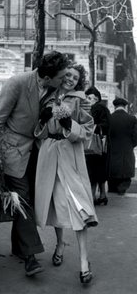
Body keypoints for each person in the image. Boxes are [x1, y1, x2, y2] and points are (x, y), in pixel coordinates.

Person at [0, 51, 71, 277]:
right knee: (22, 199)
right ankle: (31, 257)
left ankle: (18, 248)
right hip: (12, 151)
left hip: (38, 152)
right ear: (47, 77)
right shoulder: (17, 83)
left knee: (30, 199)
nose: (65, 79)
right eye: (61, 76)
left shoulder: (55, 90)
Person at [34, 63, 98, 284]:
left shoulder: (82, 100)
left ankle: (83, 261)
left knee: (79, 208)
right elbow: (40, 134)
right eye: (68, 74)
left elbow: (89, 131)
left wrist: (69, 124)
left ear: (79, 81)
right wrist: (42, 121)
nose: (70, 78)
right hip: (49, 156)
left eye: (75, 77)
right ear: (61, 77)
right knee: (56, 205)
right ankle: (60, 243)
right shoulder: (47, 98)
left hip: (70, 158)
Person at [85, 86, 111, 205]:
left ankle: (92, 197)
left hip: (93, 145)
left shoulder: (96, 108)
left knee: (93, 171)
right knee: (100, 171)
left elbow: (94, 124)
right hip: (103, 145)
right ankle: (102, 195)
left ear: (96, 99)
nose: (89, 100)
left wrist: (93, 128)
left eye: (93, 98)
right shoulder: (104, 108)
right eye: (88, 97)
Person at [108, 97, 137, 195]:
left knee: (112, 183)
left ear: (115, 106)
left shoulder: (109, 118)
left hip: (112, 154)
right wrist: (130, 145)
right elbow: (136, 137)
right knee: (124, 180)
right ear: (125, 106)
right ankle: (121, 190)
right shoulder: (132, 119)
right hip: (127, 154)